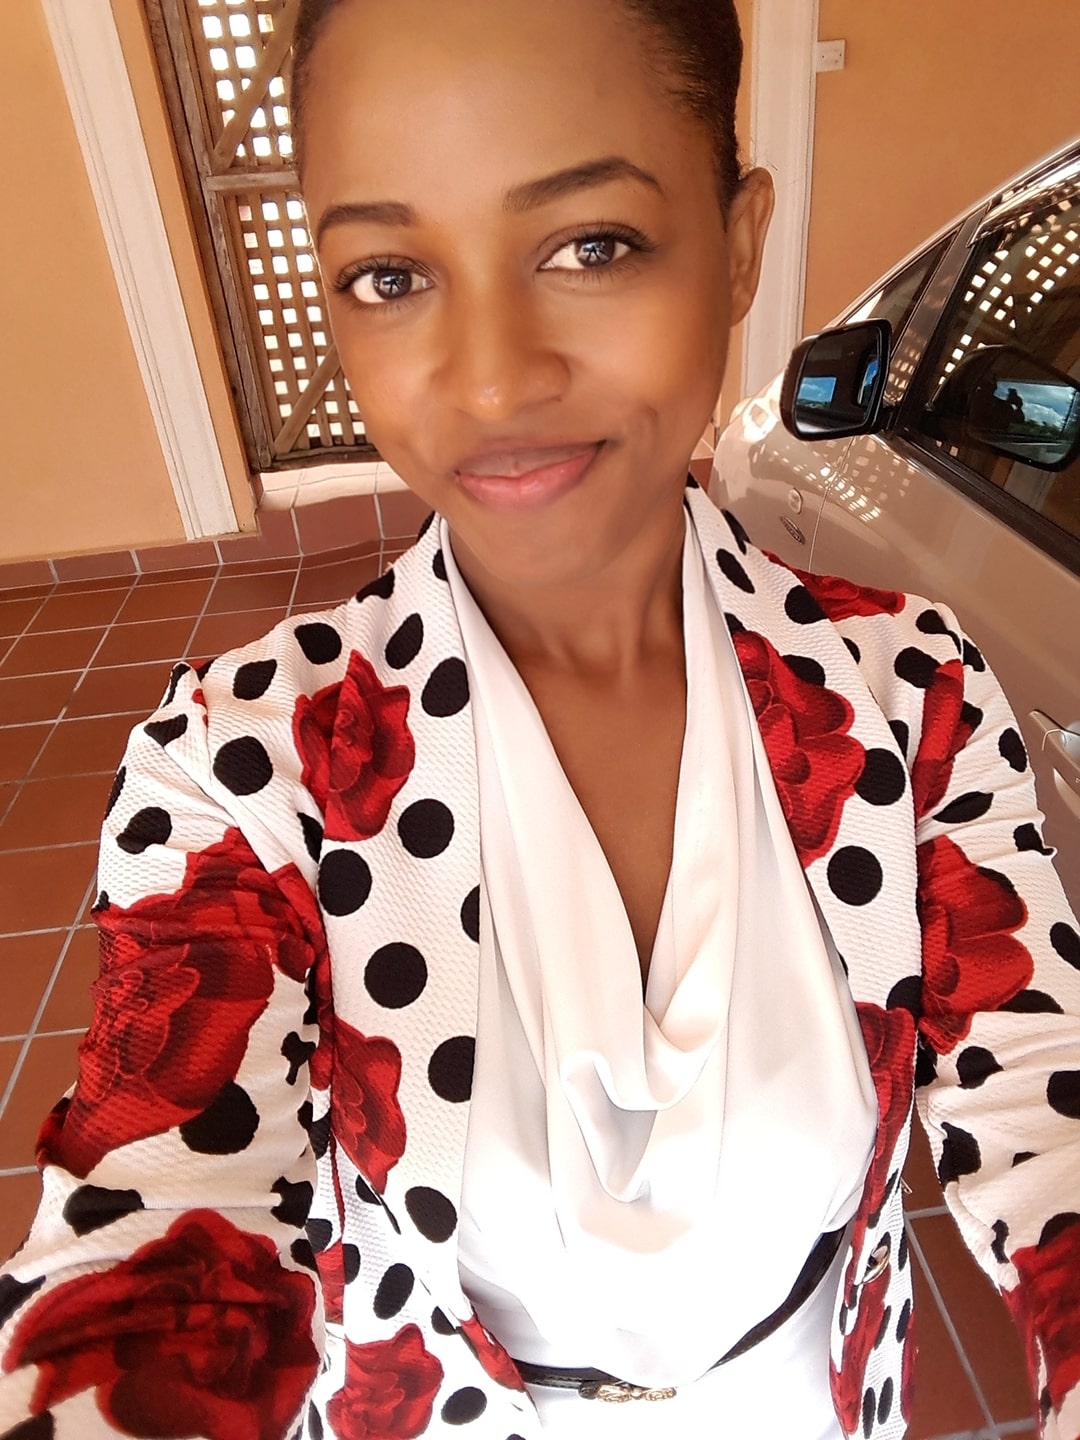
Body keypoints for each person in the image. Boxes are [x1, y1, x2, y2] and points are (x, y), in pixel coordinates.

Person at [1, 1, 1078, 1436]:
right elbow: (163, 1209)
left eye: (591, 246)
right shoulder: (246, 769)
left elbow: (1046, 1103)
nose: (494, 379)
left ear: (739, 246)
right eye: (389, 275)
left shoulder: (909, 698)